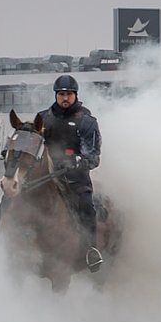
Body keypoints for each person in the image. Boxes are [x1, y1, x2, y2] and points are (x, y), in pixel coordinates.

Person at [39, 74, 104, 272]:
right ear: (55, 95)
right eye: (61, 94)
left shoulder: (86, 121)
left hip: (75, 179)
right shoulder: (43, 119)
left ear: (75, 95)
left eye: (68, 94)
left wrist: (78, 161)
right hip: (44, 176)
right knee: (9, 199)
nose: (64, 98)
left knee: (86, 207)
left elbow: (93, 157)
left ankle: (90, 251)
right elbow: (34, 145)